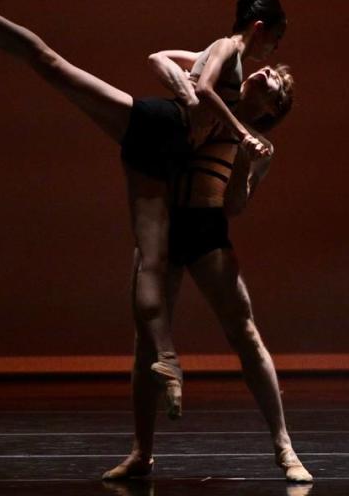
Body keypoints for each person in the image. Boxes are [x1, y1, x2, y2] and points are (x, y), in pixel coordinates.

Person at [0, 0, 285, 422]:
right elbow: (187, 78)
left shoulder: (234, 82)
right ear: (260, 30)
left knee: (150, 259)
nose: (271, 63)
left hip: (160, 154)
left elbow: (172, 70)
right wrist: (191, 95)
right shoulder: (230, 50)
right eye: (273, 50)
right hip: (159, 125)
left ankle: (167, 360)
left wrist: (227, 128)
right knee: (53, 66)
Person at [102, 52, 312, 483]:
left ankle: (285, 447)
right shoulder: (208, 99)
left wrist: (244, 162)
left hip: (205, 230)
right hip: (163, 223)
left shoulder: (259, 146)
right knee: (146, 343)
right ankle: (142, 453)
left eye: (277, 82)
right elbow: (166, 65)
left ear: (273, 108)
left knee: (245, 333)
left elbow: (234, 206)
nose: (268, 71)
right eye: (271, 68)